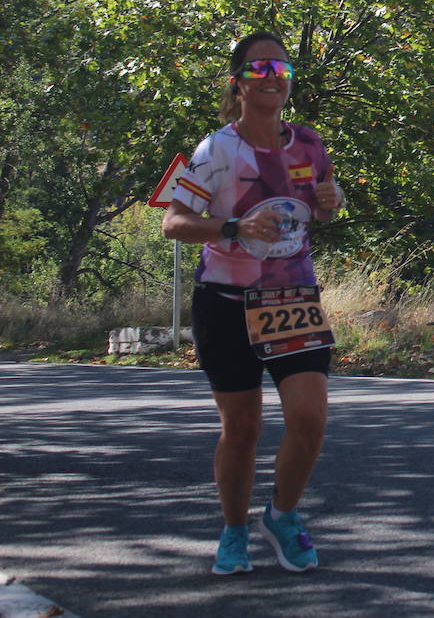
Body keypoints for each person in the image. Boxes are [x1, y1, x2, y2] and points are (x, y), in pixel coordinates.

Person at [162, 31, 343, 575]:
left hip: (292, 297)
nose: (273, 78)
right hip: (225, 302)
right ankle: (234, 530)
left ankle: (282, 516)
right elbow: (174, 222)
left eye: (282, 70)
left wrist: (333, 201)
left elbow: (322, 207)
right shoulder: (217, 150)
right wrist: (235, 225)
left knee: (309, 417)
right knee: (241, 429)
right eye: (261, 68)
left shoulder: (309, 143)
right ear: (238, 82)